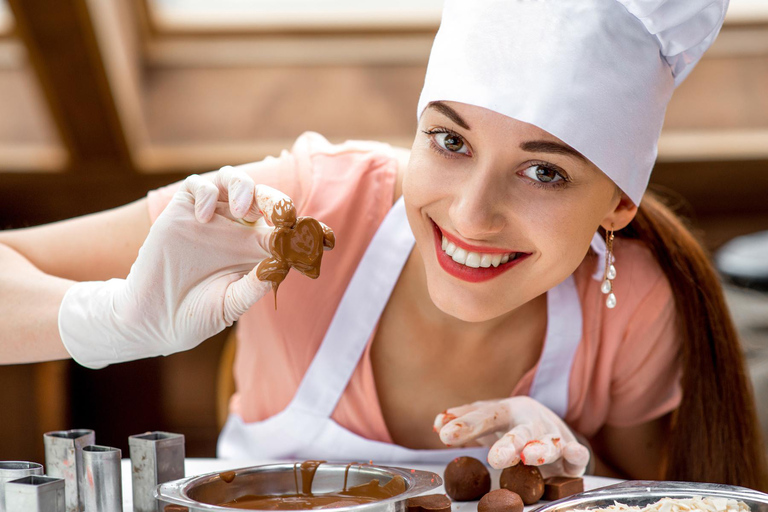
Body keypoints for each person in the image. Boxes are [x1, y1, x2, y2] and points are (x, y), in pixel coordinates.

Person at [1, 0, 766, 490]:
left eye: (543, 171)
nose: (473, 215)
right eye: (449, 141)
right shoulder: (303, 206)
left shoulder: (634, 306)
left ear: (619, 201)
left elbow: (676, 497)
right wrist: (103, 319)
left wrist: (579, 477)